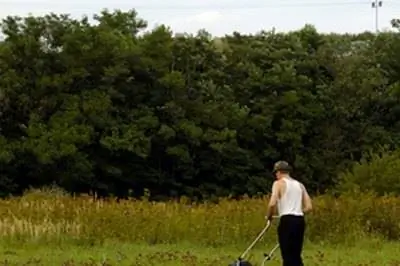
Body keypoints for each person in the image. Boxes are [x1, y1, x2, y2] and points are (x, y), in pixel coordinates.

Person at [265, 160, 313, 266]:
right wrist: (298, 210)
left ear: (278, 172)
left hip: (287, 220)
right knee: (296, 254)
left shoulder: (278, 184)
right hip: (300, 220)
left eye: (276, 173)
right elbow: (309, 207)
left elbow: (272, 203)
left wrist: (269, 216)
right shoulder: (300, 185)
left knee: (287, 254)